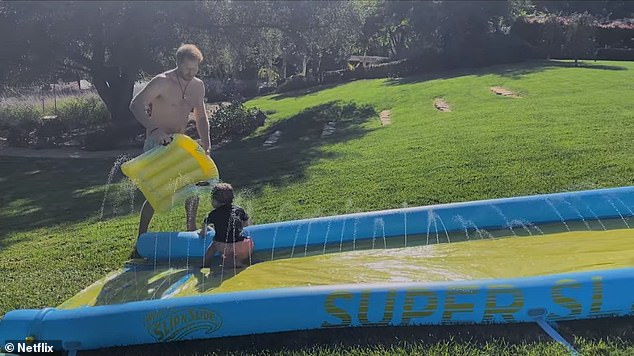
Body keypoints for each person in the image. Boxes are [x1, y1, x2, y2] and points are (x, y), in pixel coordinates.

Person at [129, 44, 210, 238]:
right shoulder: (162, 82)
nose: (191, 72)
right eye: (188, 68)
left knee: (192, 187)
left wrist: (207, 144)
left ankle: (191, 230)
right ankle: (142, 238)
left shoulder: (198, 86)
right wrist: (155, 129)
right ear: (178, 63)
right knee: (158, 193)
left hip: (180, 142)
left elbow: (200, 117)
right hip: (157, 142)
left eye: (195, 68)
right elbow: (136, 105)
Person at [200, 183, 254, 268]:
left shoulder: (213, 214)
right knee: (248, 241)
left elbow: (204, 224)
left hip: (223, 246)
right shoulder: (239, 210)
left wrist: (203, 233)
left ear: (215, 201)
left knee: (213, 247)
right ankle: (241, 262)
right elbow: (247, 224)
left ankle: (205, 265)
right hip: (243, 246)